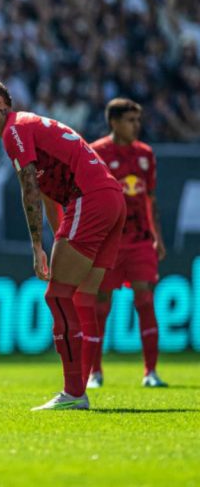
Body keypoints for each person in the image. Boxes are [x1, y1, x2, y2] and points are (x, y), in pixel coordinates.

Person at [0, 80, 125, 411]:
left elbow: (30, 189)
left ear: (1, 103)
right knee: (82, 296)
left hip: (91, 197)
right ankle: (83, 383)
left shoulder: (14, 131)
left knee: (57, 296)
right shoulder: (30, 125)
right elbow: (51, 193)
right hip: (112, 199)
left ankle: (73, 392)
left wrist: (35, 245)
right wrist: (55, 244)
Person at [88, 99, 168, 388]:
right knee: (100, 306)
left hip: (140, 240)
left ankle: (151, 372)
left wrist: (157, 235)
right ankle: (94, 373)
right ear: (114, 123)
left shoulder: (145, 154)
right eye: (130, 120)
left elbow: (151, 199)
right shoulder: (96, 153)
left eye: (138, 120)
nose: (137, 125)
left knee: (146, 301)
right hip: (108, 242)